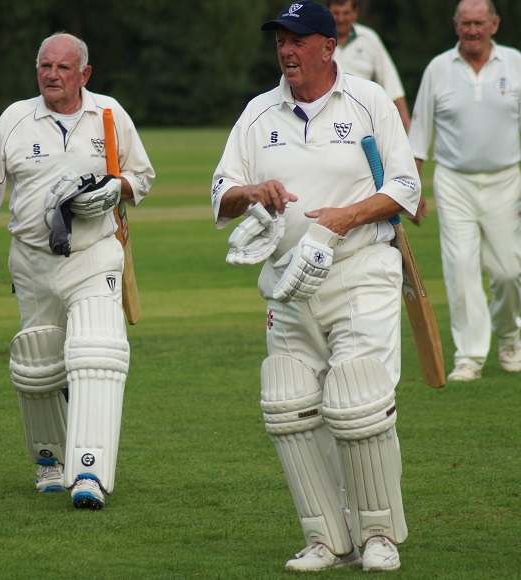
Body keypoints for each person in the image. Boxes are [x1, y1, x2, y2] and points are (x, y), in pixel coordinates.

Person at [211, 1, 420, 573]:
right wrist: (252, 192)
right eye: (280, 39)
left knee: (360, 400)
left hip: (360, 268)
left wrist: (346, 217)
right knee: (292, 404)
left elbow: (405, 187)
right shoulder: (258, 113)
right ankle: (328, 537)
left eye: (297, 39)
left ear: (328, 46)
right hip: (286, 283)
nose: (285, 49)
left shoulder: (369, 101)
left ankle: (379, 535)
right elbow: (221, 194)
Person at [0, 32, 155, 509]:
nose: (52, 75)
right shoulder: (15, 119)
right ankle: (50, 460)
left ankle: (90, 474)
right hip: (31, 259)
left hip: (94, 254)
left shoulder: (109, 115)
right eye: (45, 67)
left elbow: (143, 176)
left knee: (96, 354)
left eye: (63, 68)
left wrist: (115, 191)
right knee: (41, 361)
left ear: (84, 74)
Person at [408, 0, 521, 382]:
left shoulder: (515, 63)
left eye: (479, 23)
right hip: (454, 182)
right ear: (455, 26)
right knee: (460, 268)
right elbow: (419, 137)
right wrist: (411, 189)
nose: (472, 30)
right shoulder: (439, 68)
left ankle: (510, 339)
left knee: (508, 271)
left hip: (506, 180)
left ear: (494, 24)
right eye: (465, 23)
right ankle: (469, 356)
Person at [326, 0, 411, 132]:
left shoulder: (369, 38)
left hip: (364, 121)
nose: (341, 19)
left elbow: (390, 80)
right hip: (326, 117)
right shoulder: (317, 40)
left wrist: (404, 120)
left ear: (355, 13)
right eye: (336, 13)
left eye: (346, 13)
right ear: (327, 13)